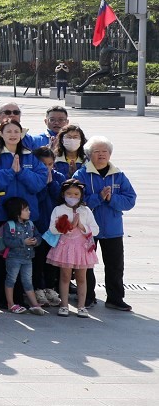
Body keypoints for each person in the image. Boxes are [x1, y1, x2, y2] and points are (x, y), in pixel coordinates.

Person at [74, 136, 135, 312]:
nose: (101, 155)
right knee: (85, 265)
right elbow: (77, 199)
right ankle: (87, 297)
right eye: (96, 152)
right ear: (89, 154)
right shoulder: (81, 174)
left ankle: (115, 298)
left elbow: (130, 200)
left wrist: (111, 199)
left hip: (113, 228)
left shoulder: (119, 175)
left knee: (115, 265)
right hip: (87, 229)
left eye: (105, 151)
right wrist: (98, 198)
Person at [45, 178, 99, 318]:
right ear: (63, 194)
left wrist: (80, 226)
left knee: (82, 277)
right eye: (69, 194)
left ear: (81, 195)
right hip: (65, 247)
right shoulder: (58, 209)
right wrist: (67, 226)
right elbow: (52, 229)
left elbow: (96, 230)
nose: (73, 197)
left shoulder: (85, 210)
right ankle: (64, 305)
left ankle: (81, 306)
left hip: (81, 247)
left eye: (76, 194)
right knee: (65, 276)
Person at [0, 199, 46, 315]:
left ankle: (34, 304)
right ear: (16, 212)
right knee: (11, 279)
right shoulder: (9, 225)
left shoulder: (31, 224)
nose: (29, 212)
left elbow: (38, 236)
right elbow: (7, 241)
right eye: (26, 210)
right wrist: (23, 242)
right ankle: (10, 304)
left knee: (28, 281)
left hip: (28, 258)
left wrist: (36, 241)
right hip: (13, 258)